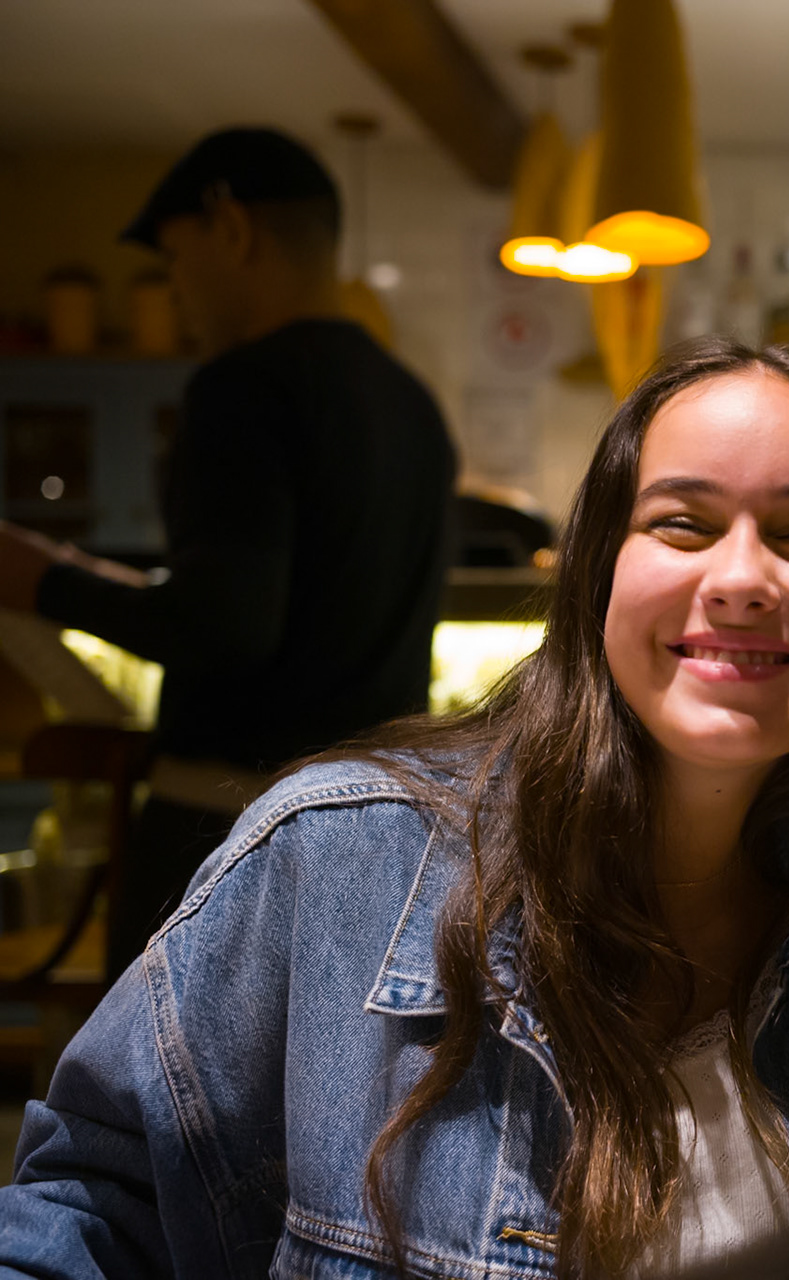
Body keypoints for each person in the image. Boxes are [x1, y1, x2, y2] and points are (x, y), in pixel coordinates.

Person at [0, 340, 789, 1279]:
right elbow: (88, 1211)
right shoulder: (337, 862)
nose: (742, 578)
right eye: (682, 523)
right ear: (599, 573)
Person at [0, 127, 456, 976]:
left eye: (176, 257)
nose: (176, 289)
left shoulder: (242, 387)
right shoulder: (412, 405)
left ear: (232, 229)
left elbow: (225, 628)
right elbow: (295, 601)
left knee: (160, 1065)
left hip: (228, 828)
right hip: (376, 830)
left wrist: (45, 583)